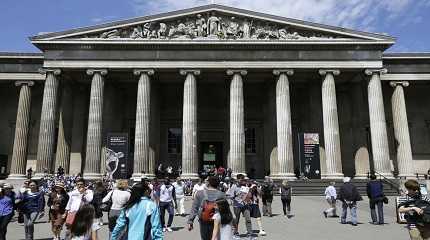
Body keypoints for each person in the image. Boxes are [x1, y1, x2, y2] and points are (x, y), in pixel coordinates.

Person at [188, 176, 226, 240]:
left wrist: (190, 221)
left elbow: (194, 208)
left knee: (205, 238)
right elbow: (225, 211)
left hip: (204, 220)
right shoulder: (221, 194)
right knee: (215, 237)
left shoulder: (200, 193)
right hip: (217, 220)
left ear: (208, 183)